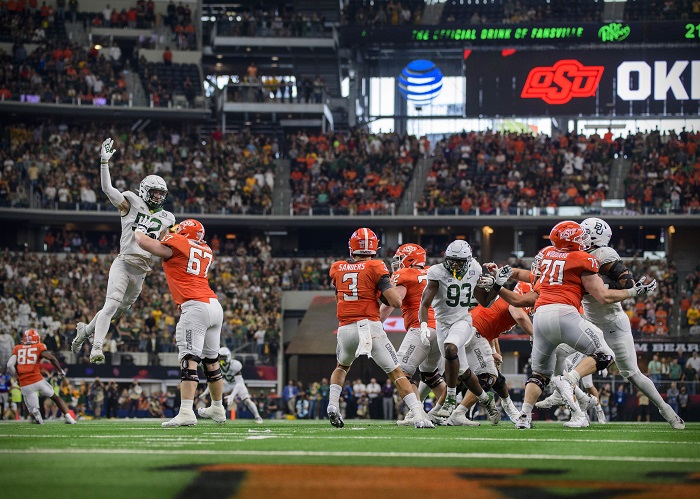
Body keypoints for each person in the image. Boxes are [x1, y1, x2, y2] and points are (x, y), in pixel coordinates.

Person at [497, 221, 657, 429]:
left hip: (541, 315)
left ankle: (524, 416)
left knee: (539, 375)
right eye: (578, 237)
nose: (582, 239)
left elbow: (527, 287)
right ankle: (575, 401)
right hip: (566, 314)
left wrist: (499, 281)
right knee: (604, 355)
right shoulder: (584, 258)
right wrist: (636, 291)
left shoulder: (545, 254)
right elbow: (603, 295)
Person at [72, 138, 176, 363]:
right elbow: (107, 189)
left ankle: (85, 332)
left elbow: (167, 243)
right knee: (110, 305)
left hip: (142, 271)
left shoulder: (167, 218)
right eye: (155, 192)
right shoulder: (131, 202)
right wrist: (104, 163)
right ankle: (96, 347)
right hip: (124, 261)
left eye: (161, 193)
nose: (158, 196)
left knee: (116, 312)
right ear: (145, 190)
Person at [326, 228, 434, 429]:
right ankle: (419, 416)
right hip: (369, 326)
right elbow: (396, 302)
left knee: (341, 367)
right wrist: (380, 291)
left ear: (352, 248)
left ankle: (333, 404)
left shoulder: (337, 267)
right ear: (374, 248)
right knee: (397, 373)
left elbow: (338, 297)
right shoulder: (376, 266)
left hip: (345, 327)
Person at [134, 218, 224, 427]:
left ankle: (186, 412)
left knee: (189, 360)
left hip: (196, 307)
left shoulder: (178, 242)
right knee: (211, 361)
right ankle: (218, 408)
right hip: (214, 305)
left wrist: (139, 230)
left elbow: (146, 243)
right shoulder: (206, 248)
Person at [418, 239, 501, 422]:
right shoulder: (437, 272)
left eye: (459, 261)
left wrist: (497, 284)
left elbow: (485, 301)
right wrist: (423, 325)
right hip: (442, 324)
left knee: (450, 347)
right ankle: (487, 400)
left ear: (469, 260)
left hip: (463, 320)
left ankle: (450, 398)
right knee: (463, 372)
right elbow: (424, 304)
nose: (454, 264)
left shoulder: (475, 269)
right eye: (451, 259)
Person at [447, 280, 535, 425]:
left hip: (475, 333)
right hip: (474, 333)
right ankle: (459, 412)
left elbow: (492, 329)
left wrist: (494, 351)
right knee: (487, 377)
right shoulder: (515, 303)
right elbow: (520, 317)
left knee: (497, 378)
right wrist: (535, 336)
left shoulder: (501, 301)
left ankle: (510, 409)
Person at [379, 243, 446, 426]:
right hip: (440, 332)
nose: (398, 263)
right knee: (431, 376)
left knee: (402, 374)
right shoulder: (433, 272)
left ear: (410, 259)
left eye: (400, 258)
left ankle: (417, 414)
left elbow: (392, 303)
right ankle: (448, 411)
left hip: (420, 328)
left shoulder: (405, 274)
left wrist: (375, 324)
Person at [7, 329, 76, 424]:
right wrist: (60, 371)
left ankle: (36, 415)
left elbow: (9, 365)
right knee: (55, 398)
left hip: (25, 383)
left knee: (33, 407)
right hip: (38, 380)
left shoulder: (17, 348)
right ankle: (69, 418)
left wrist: (17, 377)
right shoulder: (39, 346)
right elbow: (51, 358)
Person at [198, 347, 263, 423]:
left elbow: (239, 383)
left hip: (238, 384)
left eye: (223, 357)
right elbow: (214, 381)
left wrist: (232, 396)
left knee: (247, 400)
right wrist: (206, 392)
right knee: (215, 391)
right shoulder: (218, 365)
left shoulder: (235, 365)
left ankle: (258, 417)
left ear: (228, 356)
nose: (222, 359)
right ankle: (217, 414)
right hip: (227, 383)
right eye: (220, 357)